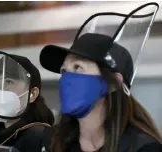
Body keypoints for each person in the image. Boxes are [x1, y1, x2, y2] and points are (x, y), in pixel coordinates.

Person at [39, 2, 162, 152]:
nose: (66, 79)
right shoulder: (53, 140)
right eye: (64, 71)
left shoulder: (143, 148)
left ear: (113, 83)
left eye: (78, 67)